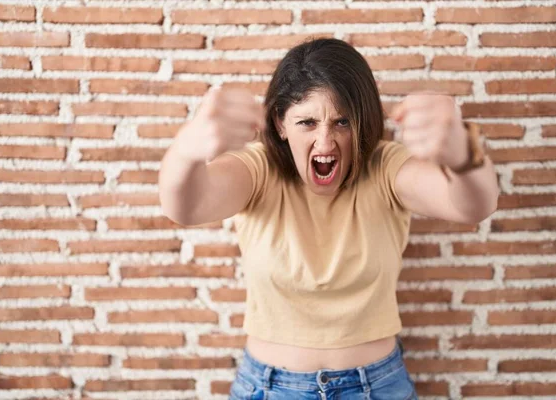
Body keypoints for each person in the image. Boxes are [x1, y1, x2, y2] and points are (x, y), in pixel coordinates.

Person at [158, 38, 499, 400]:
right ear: (280, 123)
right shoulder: (258, 169)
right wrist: (187, 149)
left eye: (342, 122)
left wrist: (464, 153)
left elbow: (475, 205)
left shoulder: (385, 166)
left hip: (377, 386)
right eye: (307, 122)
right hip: (270, 388)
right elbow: (185, 206)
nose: (325, 142)